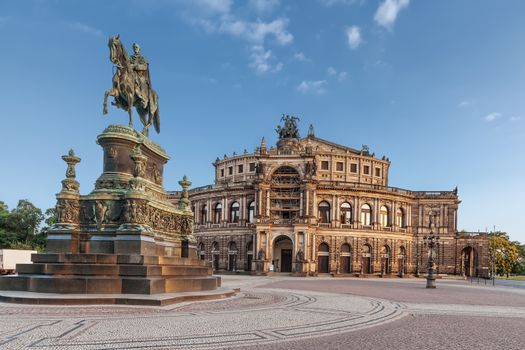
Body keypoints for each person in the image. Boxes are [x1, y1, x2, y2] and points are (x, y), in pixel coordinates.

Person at [130, 43, 149, 109]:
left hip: (140, 75)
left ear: (139, 49)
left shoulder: (142, 58)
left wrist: (136, 66)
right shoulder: (131, 58)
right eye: (134, 47)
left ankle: (144, 99)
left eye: (136, 47)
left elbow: (145, 66)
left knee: (142, 81)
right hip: (132, 75)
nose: (135, 49)